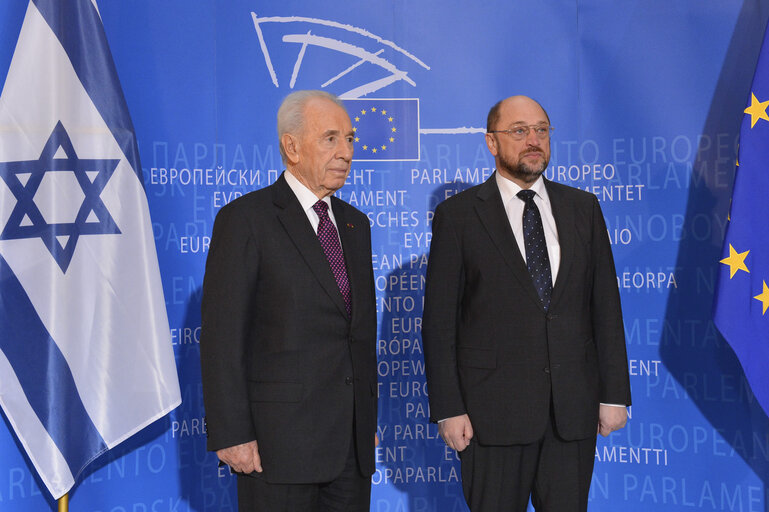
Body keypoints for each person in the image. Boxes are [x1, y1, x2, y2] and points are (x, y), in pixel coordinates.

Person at [422, 95, 631, 511]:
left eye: (541, 130)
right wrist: (449, 408)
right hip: (490, 418)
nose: (533, 140)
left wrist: (614, 394)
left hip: (571, 415)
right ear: (491, 142)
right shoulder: (459, 216)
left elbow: (605, 307)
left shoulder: (583, 208)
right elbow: (439, 324)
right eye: (519, 131)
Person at [200, 90, 377, 511]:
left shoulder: (356, 224)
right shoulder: (245, 220)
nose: (346, 152)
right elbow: (223, 338)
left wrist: (364, 421)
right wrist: (231, 433)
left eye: (350, 139)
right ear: (291, 146)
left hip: (350, 453)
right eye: (331, 138)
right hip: (276, 450)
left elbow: (357, 334)